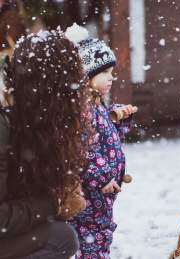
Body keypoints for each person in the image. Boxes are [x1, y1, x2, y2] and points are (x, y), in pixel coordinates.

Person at [0, 29, 90, 258]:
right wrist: (52, 204)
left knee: (62, 236)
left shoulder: (21, 119)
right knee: (60, 238)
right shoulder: (2, 125)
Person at [65, 24, 137, 259]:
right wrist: (103, 176)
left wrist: (118, 116)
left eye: (111, 72)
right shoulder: (83, 108)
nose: (111, 78)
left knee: (101, 232)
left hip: (102, 191)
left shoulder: (96, 103)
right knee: (93, 234)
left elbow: (103, 131)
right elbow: (83, 146)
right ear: (85, 76)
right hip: (91, 189)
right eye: (104, 73)